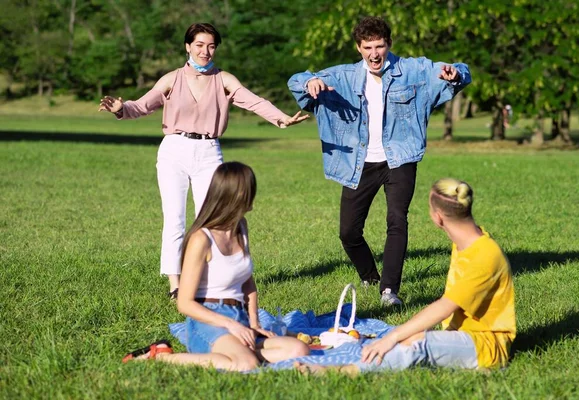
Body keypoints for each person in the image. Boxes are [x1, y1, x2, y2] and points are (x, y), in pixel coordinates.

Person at [99, 23, 308, 300]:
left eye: (211, 46)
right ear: (187, 46)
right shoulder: (172, 79)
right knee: (174, 219)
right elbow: (142, 105)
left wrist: (281, 117)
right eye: (199, 45)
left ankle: (206, 279)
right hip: (174, 149)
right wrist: (121, 109)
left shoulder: (224, 80)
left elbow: (253, 101)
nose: (205, 51)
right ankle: (175, 284)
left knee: (210, 219)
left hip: (209, 150)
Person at [288, 17, 471, 306]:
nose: (375, 53)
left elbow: (458, 71)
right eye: (368, 47)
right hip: (360, 163)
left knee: (397, 220)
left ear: (389, 44)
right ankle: (370, 277)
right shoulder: (342, 76)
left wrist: (454, 73)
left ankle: (389, 291)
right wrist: (310, 81)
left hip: (399, 158)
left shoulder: (412, 70)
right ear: (358, 47)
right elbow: (296, 80)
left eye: (380, 46)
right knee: (348, 232)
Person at [295, 178, 516, 375]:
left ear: (438, 217)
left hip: (486, 346)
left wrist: (393, 336)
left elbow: (445, 306)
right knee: (403, 337)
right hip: (462, 335)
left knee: (413, 343)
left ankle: (341, 371)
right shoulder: (469, 239)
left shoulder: (483, 255)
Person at [123, 162, 310, 370]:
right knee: (246, 364)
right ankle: (160, 356)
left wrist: (255, 323)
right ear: (238, 194)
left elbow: (248, 283)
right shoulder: (201, 239)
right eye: (250, 190)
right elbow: (184, 303)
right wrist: (230, 325)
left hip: (239, 317)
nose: (253, 196)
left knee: (298, 349)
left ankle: (240, 355)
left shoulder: (241, 227)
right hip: (208, 321)